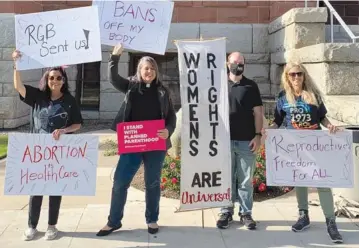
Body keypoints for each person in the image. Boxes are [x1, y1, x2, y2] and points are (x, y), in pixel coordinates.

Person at [96, 43, 176, 236]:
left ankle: (152, 219)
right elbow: (113, 78)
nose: (149, 71)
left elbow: (171, 117)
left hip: (155, 145)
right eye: (145, 68)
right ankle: (113, 221)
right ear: (139, 70)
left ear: (156, 71)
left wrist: (168, 130)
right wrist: (114, 58)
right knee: (120, 181)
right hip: (133, 142)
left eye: (152, 68)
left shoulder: (163, 91)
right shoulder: (131, 86)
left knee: (152, 182)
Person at [263, 61, 343, 244]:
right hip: (295, 148)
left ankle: (331, 221)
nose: (297, 77)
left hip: (315, 146)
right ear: (287, 78)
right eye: (293, 74)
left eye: (299, 74)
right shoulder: (283, 97)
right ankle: (303, 215)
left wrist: (329, 125)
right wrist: (270, 130)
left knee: (323, 182)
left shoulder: (313, 95)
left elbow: (322, 117)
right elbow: (277, 120)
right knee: (300, 181)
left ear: (304, 75)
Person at [12, 50, 83, 241]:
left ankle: (52, 226)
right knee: (35, 189)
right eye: (52, 77)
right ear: (47, 79)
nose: (55, 81)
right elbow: (18, 86)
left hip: (58, 153)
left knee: (55, 190)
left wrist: (65, 131)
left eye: (59, 77)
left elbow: (77, 123)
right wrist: (16, 64)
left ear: (64, 80)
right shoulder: (38, 96)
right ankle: (31, 226)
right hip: (37, 152)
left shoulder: (69, 101)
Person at [216, 52, 263, 230]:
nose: (238, 65)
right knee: (226, 179)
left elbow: (258, 112)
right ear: (228, 64)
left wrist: (258, 135)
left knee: (245, 180)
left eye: (241, 62)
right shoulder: (218, 84)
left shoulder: (251, 86)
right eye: (235, 62)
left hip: (246, 141)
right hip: (224, 141)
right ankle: (226, 211)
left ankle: (245, 212)